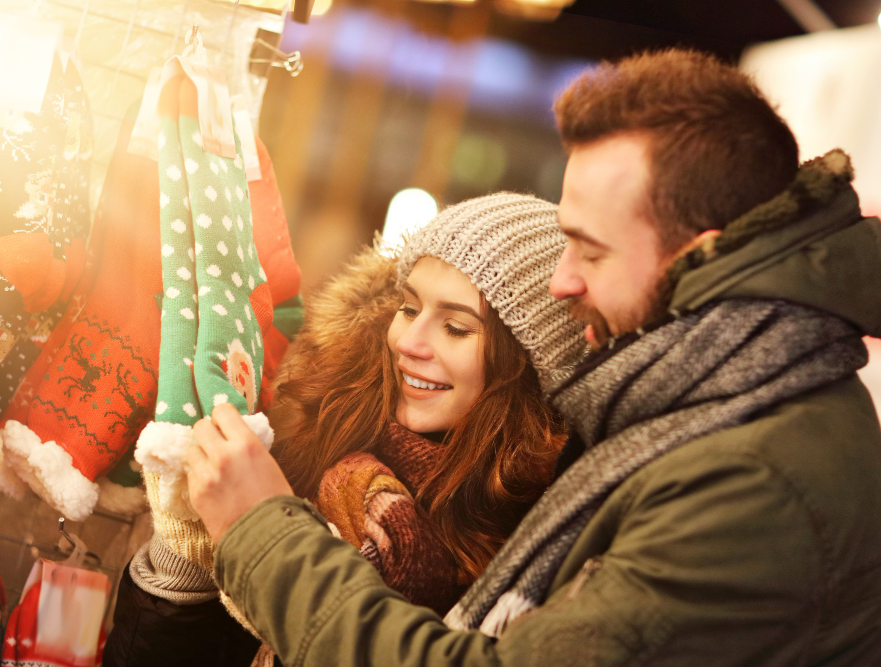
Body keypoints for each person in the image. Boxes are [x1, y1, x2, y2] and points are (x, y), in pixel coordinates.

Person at [180, 48, 881, 665]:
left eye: (592, 249)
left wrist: (262, 527)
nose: (561, 280)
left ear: (695, 251)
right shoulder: (715, 400)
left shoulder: (752, 481)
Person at [103, 193, 586, 666]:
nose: (410, 342)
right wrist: (184, 565)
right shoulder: (310, 440)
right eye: (410, 308)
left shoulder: (539, 544)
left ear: (527, 368)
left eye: (457, 328)